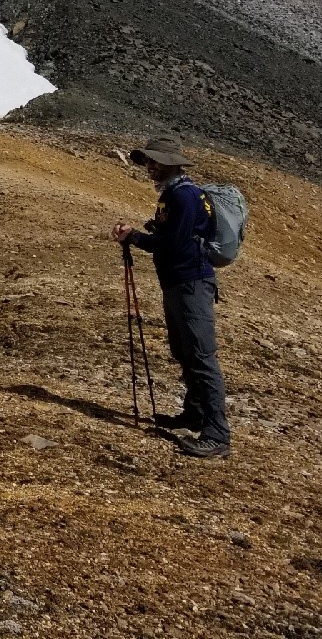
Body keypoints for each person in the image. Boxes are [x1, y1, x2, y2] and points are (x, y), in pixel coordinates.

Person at [110, 135, 231, 458]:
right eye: (148, 161)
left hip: (190, 282)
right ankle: (194, 414)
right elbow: (174, 237)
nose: (149, 167)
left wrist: (135, 237)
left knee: (201, 355)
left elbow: (174, 244)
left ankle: (217, 433)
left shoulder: (184, 197)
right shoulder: (177, 195)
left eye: (154, 161)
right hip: (182, 282)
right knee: (185, 350)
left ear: (170, 164)